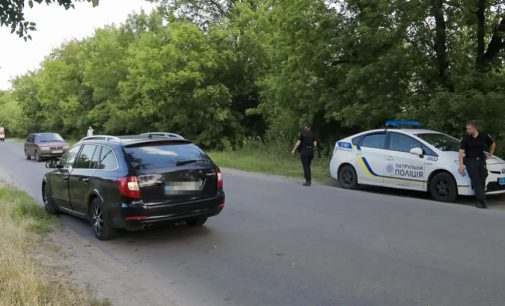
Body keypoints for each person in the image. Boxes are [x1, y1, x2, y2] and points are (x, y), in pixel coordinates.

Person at [459, 120, 496, 209]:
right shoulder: (466, 138)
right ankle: (482, 201)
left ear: (474, 128)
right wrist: (461, 165)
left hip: (481, 160)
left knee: (483, 176)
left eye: (469, 129)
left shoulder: (484, 136)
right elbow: (461, 152)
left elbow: (493, 143)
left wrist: (491, 154)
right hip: (470, 160)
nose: (467, 130)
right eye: (467, 129)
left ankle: (480, 198)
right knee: (476, 179)